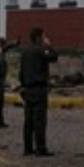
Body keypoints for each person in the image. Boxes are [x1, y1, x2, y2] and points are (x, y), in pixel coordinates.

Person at [18, 27, 58, 156]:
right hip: (39, 89)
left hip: (27, 89)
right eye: (44, 36)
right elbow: (54, 57)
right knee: (39, 120)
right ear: (39, 38)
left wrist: (22, 85)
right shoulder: (41, 51)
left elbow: (21, 72)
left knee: (28, 120)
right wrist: (49, 46)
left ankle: (27, 148)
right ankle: (41, 148)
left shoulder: (25, 52)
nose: (45, 38)